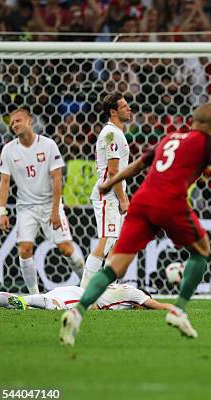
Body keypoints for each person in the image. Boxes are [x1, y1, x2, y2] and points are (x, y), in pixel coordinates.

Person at [58, 104, 211, 346]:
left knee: (115, 266)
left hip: (142, 200)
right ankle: (178, 311)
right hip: (170, 202)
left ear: (191, 122)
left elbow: (137, 165)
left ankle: (77, 312)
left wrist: (109, 182)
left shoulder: (169, 138)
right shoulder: (208, 141)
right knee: (202, 250)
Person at [0, 108, 84, 295]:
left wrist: (54, 211)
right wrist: (2, 211)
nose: (14, 125)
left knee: (66, 249)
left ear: (30, 121)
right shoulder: (9, 150)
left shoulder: (48, 145)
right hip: (26, 208)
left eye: (18, 120)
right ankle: (35, 298)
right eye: (12, 123)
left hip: (49, 205)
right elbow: (4, 182)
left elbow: (57, 179)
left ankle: (90, 290)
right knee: (25, 249)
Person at [81, 93, 132, 289]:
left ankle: (107, 288)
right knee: (107, 241)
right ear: (113, 111)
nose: (129, 109)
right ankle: (84, 291)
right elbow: (113, 171)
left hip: (113, 195)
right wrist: (123, 199)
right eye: (124, 106)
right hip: (109, 195)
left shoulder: (116, 133)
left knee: (115, 244)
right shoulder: (111, 134)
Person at [0, 284, 173, 311]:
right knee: (53, 305)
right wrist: (175, 308)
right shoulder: (138, 295)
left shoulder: (122, 287)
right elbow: (155, 305)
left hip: (74, 290)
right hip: (80, 297)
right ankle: (24, 301)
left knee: (30, 304)